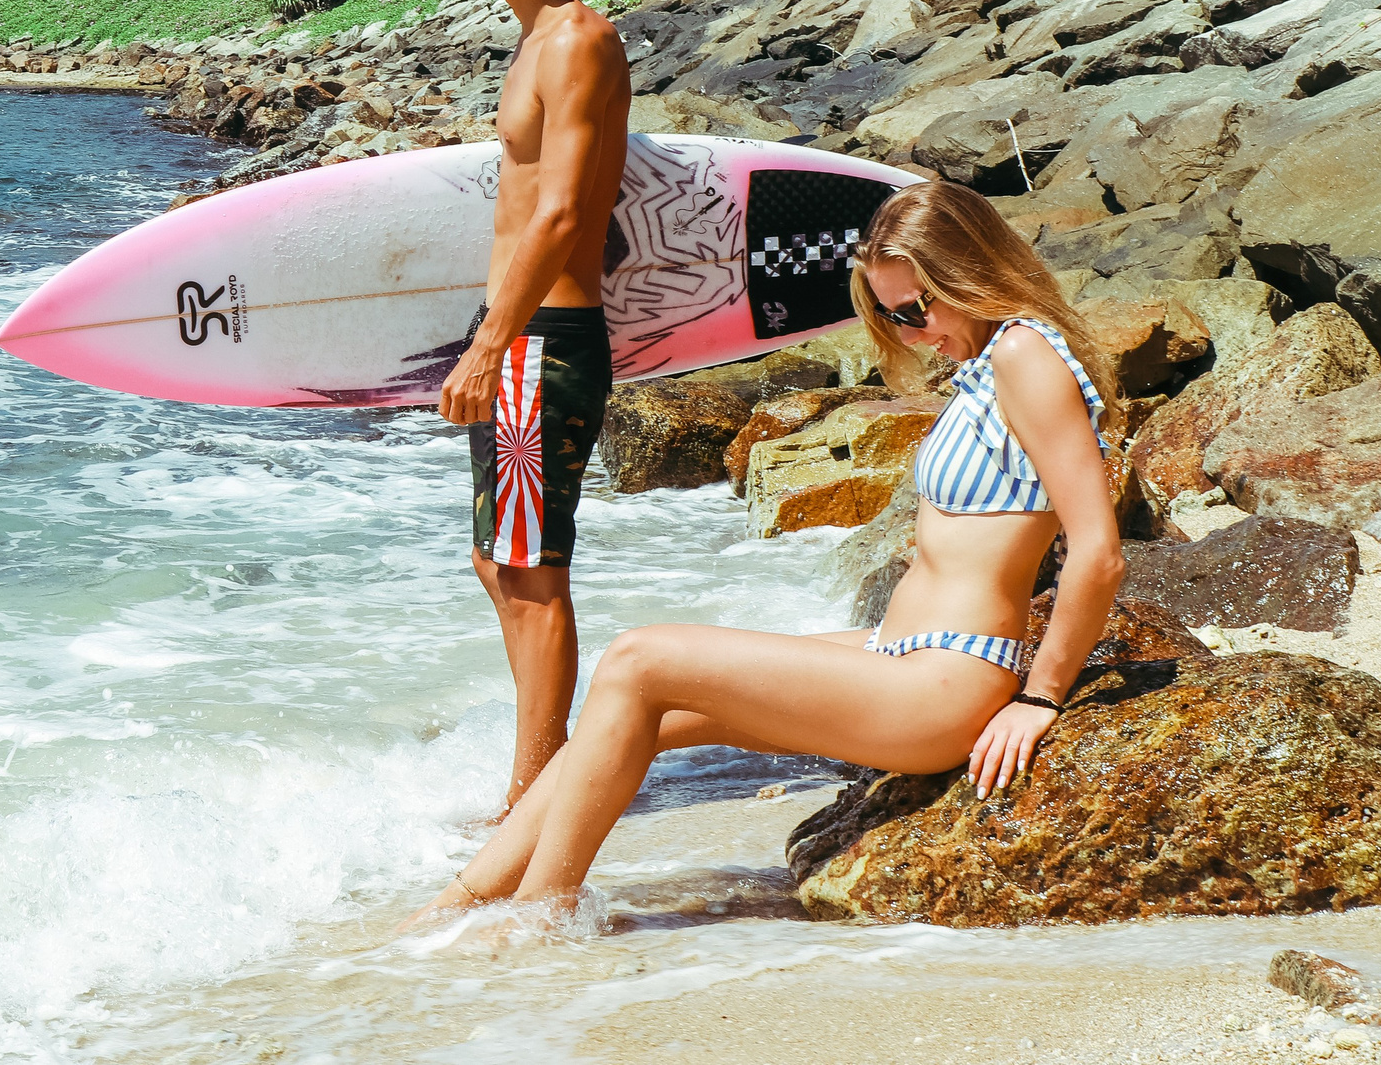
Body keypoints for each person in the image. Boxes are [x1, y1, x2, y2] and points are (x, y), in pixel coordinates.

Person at [411, 179, 1123, 923]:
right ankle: (451, 906)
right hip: (902, 657)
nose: (909, 332)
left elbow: (1099, 550)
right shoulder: (986, 360)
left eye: (917, 308)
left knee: (637, 658)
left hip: (947, 681)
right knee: (638, 713)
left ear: (972, 270)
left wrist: (1040, 699)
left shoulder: (1024, 354)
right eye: (888, 313)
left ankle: (538, 920)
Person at [437, 0, 633, 815]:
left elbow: (560, 216)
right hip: (520, 331)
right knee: (497, 555)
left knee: (527, 569)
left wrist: (490, 345)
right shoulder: (536, 42)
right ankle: (545, 764)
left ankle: (535, 795)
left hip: (540, 338)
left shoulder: (576, 42)